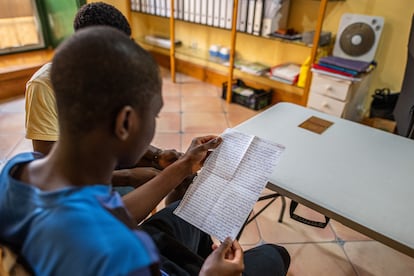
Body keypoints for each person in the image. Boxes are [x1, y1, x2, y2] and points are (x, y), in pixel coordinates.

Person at [0, 26, 290, 275]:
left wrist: (182, 166)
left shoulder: (18, 170)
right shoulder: (124, 254)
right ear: (125, 122)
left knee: (187, 215)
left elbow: (101, 215)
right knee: (275, 255)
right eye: (154, 114)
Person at [24, 2, 184, 197]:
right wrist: (126, 176)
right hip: (75, 175)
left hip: (108, 159)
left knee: (182, 177)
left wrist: (157, 156)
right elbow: (51, 166)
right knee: (139, 192)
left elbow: (123, 137)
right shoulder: (44, 85)